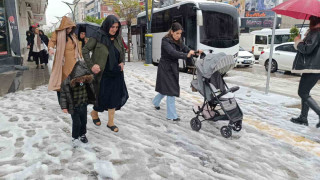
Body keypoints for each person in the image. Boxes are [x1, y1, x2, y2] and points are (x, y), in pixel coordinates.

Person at [82, 15, 128, 132]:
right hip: (102, 74)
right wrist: (92, 65)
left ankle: (110, 122)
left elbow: (122, 50)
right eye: (112, 27)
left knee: (114, 97)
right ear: (107, 25)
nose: (114, 29)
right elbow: (85, 50)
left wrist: (122, 62)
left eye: (117, 27)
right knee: (102, 97)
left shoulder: (117, 37)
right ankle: (94, 113)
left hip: (116, 72)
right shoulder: (97, 36)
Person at [152, 22, 201, 121]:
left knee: (165, 89)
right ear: (172, 32)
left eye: (180, 33)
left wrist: (195, 52)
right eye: (177, 33)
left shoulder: (179, 40)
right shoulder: (165, 41)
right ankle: (171, 115)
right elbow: (172, 52)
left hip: (173, 67)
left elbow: (186, 49)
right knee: (170, 91)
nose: (179, 36)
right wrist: (185, 55)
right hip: (165, 68)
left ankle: (155, 102)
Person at [290, 15, 320, 128]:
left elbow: (307, 49)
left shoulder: (316, 32)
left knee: (302, 92)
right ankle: (303, 117)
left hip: (312, 67)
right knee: (305, 92)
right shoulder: (315, 32)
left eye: (310, 20)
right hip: (313, 67)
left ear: (313, 21)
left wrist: (298, 41)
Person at [60, 61, 95, 147]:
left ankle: (82, 134)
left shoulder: (86, 82)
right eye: (80, 78)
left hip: (83, 105)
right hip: (74, 107)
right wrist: (64, 107)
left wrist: (94, 100)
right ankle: (75, 137)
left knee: (84, 121)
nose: (82, 80)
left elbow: (92, 91)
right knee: (77, 123)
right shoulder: (67, 83)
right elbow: (63, 96)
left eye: (84, 78)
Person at [48, 16, 83, 102]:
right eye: (68, 28)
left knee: (73, 79)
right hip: (62, 60)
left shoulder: (73, 35)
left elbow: (78, 46)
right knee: (61, 80)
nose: (69, 30)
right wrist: (51, 49)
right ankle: (62, 100)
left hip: (73, 60)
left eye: (71, 28)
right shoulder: (57, 33)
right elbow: (52, 41)